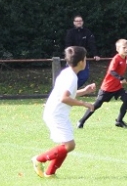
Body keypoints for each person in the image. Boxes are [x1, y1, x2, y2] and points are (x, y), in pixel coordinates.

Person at [32, 46, 97, 178]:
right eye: (85, 59)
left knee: (66, 144)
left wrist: (84, 91)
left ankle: (50, 173)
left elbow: (68, 94)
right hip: (56, 114)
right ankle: (39, 159)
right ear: (81, 62)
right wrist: (84, 103)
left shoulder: (67, 73)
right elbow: (64, 98)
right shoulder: (71, 77)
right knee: (69, 145)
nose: (86, 61)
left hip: (57, 113)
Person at [78, 38, 127, 129]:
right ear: (118, 49)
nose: (126, 49)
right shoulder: (116, 59)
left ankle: (119, 121)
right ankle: (81, 121)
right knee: (97, 105)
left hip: (117, 87)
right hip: (108, 87)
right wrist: (121, 78)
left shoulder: (126, 59)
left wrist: (120, 80)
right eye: (124, 48)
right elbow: (111, 71)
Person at [64, 15, 100, 88]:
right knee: (69, 76)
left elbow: (91, 44)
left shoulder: (87, 32)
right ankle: (68, 89)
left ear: (82, 22)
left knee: (84, 76)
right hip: (72, 58)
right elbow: (68, 45)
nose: (79, 22)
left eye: (80, 21)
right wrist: (69, 56)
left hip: (83, 58)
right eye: (77, 21)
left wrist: (95, 54)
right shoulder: (70, 32)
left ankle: (73, 89)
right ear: (74, 22)